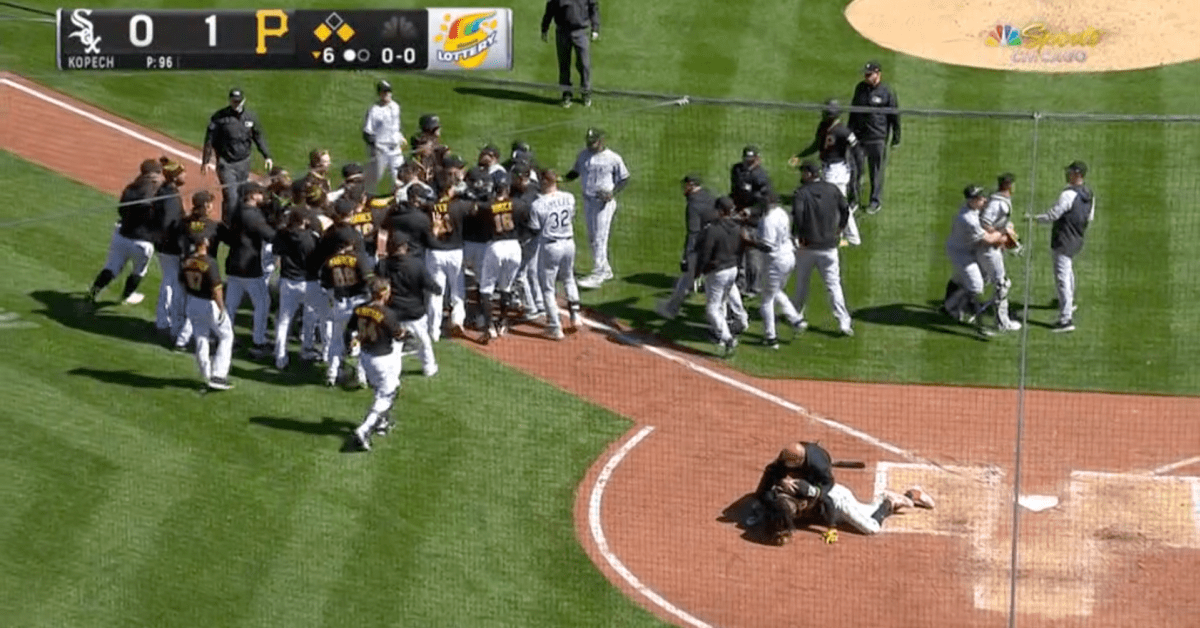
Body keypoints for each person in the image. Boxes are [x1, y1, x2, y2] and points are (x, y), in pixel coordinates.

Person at [746, 441, 935, 544]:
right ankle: (910, 494)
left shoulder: (815, 467)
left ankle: (890, 500)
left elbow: (827, 495)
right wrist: (765, 499)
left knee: (871, 528)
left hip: (837, 499)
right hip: (825, 499)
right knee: (867, 510)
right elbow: (766, 489)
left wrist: (831, 528)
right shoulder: (783, 471)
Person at [311, 198, 374, 387]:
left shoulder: (329, 238)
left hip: (338, 299)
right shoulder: (356, 247)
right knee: (362, 338)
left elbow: (323, 277)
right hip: (358, 299)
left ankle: (331, 373)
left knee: (337, 339)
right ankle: (361, 376)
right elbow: (367, 278)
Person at [88, 159, 163, 306]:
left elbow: (121, 210)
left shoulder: (131, 187)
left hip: (122, 234)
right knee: (139, 271)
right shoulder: (155, 191)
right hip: (142, 241)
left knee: (111, 267)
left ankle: (93, 292)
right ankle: (126, 296)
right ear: (154, 174)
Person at [792, 161, 854, 336]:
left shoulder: (801, 192)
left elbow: (798, 215)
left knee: (802, 284)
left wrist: (797, 235)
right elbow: (845, 209)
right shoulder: (832, 189)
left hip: (807, 247)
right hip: (829, 247)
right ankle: (844, 322)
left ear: (809, 174)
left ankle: (796, 316)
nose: (801, 175)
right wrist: (840, 228)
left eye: (803, 172)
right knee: (834, 285)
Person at [1032, 161, 1095, 333]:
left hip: (1063, 240)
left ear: (1077, 174)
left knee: (1062, 278)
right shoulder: (1089, 193)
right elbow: (1089, 218)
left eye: (1070, 172)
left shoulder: (1068, 194)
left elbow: (1054, 214)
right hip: (1077, 239)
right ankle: (1070, 302)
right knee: (1068, 272)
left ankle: (1066, 320)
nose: (1067, 174)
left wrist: (1035, 218)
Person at [347, 277, 408, 452]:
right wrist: (405, 332)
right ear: (382, 293)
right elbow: (398, 335)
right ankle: (364, 429)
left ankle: (381, 422)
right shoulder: (388, 313)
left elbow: (352, 329)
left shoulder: (359, 309)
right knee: (388, 394)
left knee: (382, 389)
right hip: (382, 358)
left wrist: (356, 339)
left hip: (366, 357)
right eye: (388, 290)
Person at [792, 99, 863, 246]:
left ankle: (853, 237)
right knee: (836, 202)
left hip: (838, 170)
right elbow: (816, 145)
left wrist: (860, 172)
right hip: (827, 168)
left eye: (829, 113)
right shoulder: (823, 127)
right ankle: (844, 233)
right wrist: (800, 156)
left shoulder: (843, 131)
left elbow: (857, 151)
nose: (826, 115)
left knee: (839, 203)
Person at [566, 127, 630, 288]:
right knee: (592, 236)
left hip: (604, 204)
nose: (589, 145)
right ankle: (605, 269)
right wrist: (558, 178)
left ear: (601, 141)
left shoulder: (613, 158)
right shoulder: (583, 155)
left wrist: (612, 193)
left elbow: (624, 178)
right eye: (588, 142)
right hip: (588, 201)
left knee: (600, 237)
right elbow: (575, 172)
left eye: (593, 142)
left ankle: (599, 273)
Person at [220, 182, 276, 358]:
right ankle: (259, 341)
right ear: (252, 195)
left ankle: (224, 336)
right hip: (249, 268)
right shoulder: (251, 215)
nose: (262, 195)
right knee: (262, 303)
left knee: (230, 305)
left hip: (234, 263)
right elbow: (269, 235)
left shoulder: (238, 210)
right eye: (259, 193)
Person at [944, 185, 1008, 337]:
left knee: (961, 279)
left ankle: (950, 307)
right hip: (961, 253)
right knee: (976, 286)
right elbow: (988, 239)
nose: (984, 200)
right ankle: (979, 325)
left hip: (965, 247)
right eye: (980, 198)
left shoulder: (970, 209)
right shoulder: (968, 219)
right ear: (972, 201)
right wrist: (1004, 233)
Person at [376, 233, 440, 377]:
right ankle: (429, 368)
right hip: (414, 312)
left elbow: (376, 287)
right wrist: (437, 289)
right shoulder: (416, 264)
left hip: (392, 313)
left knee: (395, 346)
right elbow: (432, 286)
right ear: (405, 247)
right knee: (424, 341)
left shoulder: (383, 265)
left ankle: (392, 373)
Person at [475, 171, 529, 341]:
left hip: (496, 246)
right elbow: (524, 223)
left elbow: (480, 220)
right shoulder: (519, 204)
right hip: (514, 247)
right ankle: (503, 322)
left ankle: (490, 326)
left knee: (486, 288)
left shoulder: (487, 206)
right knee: (506, 287)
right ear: (507, 187)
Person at [201, 88, 272, 215]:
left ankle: (235, 222)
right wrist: (205, 161)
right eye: (234, 101)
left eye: (238, 102)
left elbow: (258, 137)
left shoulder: (250, 117)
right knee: (231, 196)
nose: (236, 104)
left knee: (241, 194)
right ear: (230, 101)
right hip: (226, 163)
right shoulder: (219, 118)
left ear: (244, 101)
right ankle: (227, 224)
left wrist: (267, 155)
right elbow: (209, 140)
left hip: (244, 162)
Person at [657, 173, 718, 321]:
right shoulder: (708, 196)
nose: (683, 188)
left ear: (691, 185)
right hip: (717, 244)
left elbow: (693, 233)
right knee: (716, 281)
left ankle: (672, 309)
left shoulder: (693, 205)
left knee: (687, 280)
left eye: (686, 185)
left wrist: (686, 256)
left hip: (701, 247)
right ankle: (737, 315)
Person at [529, 169, 582, 340]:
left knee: (547, 288)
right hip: (569, 243)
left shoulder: (538, 204)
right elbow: (572, 216)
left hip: (551, 246)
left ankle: (555, 326)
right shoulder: (569, 197)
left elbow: (535, 229)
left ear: (545, 181)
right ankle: (575, 316)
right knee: (568, 278)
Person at [694, 196, 749, 356]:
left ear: (719, 210)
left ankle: (727, 338)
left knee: (712, 308)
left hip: (718, 272)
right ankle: (740, 321)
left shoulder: (713, 229)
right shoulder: (737, 227)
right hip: (733, 269)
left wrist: (699, 272)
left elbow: (705, 254)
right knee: (726, 298)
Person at [179, 234, 234, 391]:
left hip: (192, 300)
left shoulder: (186, 261)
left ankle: (206, 373)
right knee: (226, 336)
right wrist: (222, 308)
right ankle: (219, 375)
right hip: (208, 303)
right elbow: (216, 289)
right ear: (204, 243)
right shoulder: (210, 262)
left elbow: (182, 283)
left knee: (200, 337)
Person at [424, 177, 473, 341]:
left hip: (435, 252)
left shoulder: (429, 206)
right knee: (457, 290)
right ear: (449, 189)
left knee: (436, 293)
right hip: (455, 252)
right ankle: (457, 320)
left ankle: (433, 331)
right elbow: (475, 209)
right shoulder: (459, 205)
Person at [848, 61, 900, 214]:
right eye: (866, 74)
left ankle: (874, 201)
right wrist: (849, 131)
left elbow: (894, 116)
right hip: (859, 137)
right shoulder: (860, 88)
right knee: (854, 169)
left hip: (877, 138)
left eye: (869, 74)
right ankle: (854, 200)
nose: (866, 77)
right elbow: (853, 111)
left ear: (878, 74)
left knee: (875, 171)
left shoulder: (887, 92)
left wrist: (896, 137)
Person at [271, 210, 320, 370]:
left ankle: (280, 356)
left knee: (284, 320)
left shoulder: (282, 234)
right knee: (310, 317)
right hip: (309, 282)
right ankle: (307, 348)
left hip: (287, 280)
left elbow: (276, 253)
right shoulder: (310, 238)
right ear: (304, 220)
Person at [754, 193, 805, 349]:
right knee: (775, 291)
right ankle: (796, 320)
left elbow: (768, 246)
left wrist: (749, 241)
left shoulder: (768, 220)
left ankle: (771, 338)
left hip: (775, 261)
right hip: (789, 256)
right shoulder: (781, 212)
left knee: (767, 300)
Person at [980, 173, 1022, 332]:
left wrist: (1007, 233)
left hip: (991, 248)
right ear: (1010, 186)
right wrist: (1001, 236)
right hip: (989, 249)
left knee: (982, 279)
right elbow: (984, 224)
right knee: (1002, 284)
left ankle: (953, 306)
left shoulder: (999, 200)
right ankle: (1002, 322)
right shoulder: (997, 204)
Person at [730, 145, 774, 296]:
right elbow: (734, 191)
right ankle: (740, 284)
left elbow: (765, 204)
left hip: (754, 221)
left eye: (751, 159)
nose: (747, 162)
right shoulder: (736, 170)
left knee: (753, 254)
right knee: (737, 252)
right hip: (737, 217)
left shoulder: (761, 177)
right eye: (746, 159)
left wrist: (750, 211)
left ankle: (754, 286)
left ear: (757, 159)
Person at [152, 157, 188, 341]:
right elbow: (170, 224)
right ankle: (164, 321)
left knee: (169, 282)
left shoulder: (166, 190)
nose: (185, 175)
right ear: (175, 177)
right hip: (171, 247)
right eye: (182, 172)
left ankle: (164, 320)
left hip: (165, 246)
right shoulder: (170, 197)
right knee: (171, 284)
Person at [540, 0, 600, 108]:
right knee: (564, 65)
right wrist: (545, 27)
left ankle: (585, 91)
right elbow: (550, 8)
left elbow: (593, 8)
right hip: (563, 32)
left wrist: (595, 28)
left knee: (584, 64)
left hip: (581, 32)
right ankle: (566, 94)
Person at [363, 80, 406, 194]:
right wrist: (374, 149)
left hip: (396, 149)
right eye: (384, 92)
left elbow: (395, 126)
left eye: (389, 92)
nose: (388, 94)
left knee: (400, 176)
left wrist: (400, 137)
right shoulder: (374, 111)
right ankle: (366, 197)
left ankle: (398, 198)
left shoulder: (396, 107)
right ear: (379, 94)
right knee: (375, 177)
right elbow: (367, 132)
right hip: (381, 150)